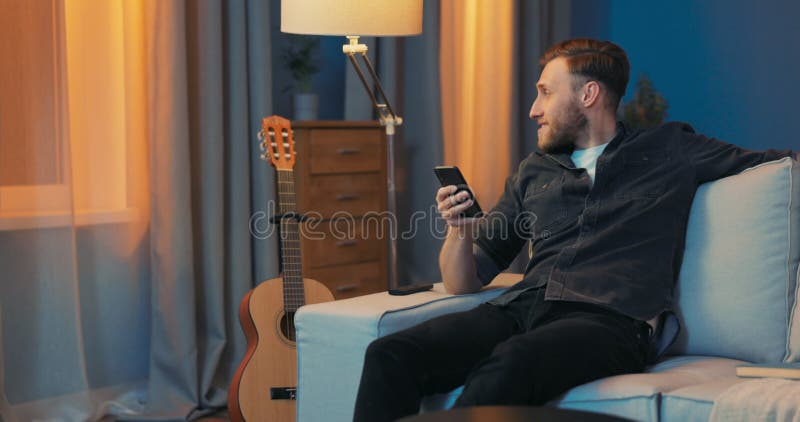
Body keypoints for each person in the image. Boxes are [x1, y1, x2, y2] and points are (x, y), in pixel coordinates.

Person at [352, 38, 799, 422]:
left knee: (512, 363)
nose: (533, 110)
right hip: (523, 307)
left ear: (588, 94)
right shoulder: (534, 171)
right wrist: (459, 229)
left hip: (610, 321)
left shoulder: (670, 149)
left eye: (545, 93)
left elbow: (780, 163)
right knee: (390, 354)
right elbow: (463, 282)